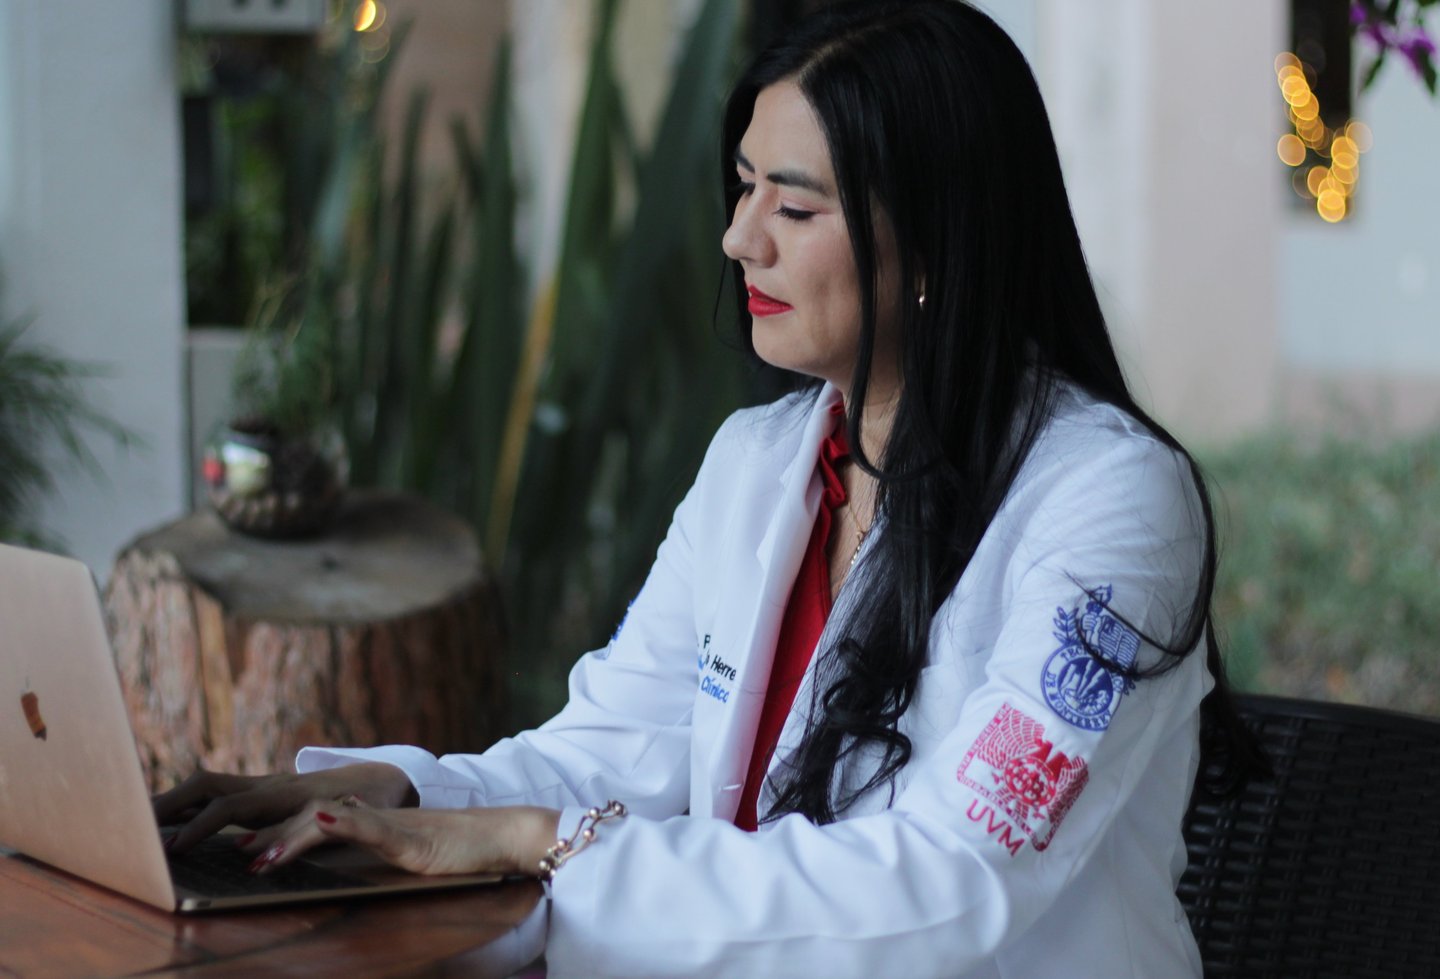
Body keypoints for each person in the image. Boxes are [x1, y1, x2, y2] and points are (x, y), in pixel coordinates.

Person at [156, 2, 1262, 975]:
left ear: (934, 245)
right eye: (742, 188)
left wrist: (539, 842)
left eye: (795, 209)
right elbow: (609, 749)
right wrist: (398, 795)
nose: (739, 240)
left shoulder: (1113, 502)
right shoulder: (757, 462)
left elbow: (952, 883)